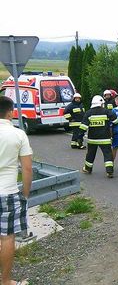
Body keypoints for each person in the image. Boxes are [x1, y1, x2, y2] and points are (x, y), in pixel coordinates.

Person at [0, 96, 32, 285]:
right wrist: (25, 194)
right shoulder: (18, 134)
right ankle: (5, 281)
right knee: (7, 237)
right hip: (8, 193)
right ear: (11, 112)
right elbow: (27, 169)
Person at [80, 95, 118, 178]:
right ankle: (109, 171)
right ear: (101, 103)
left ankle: (88, 168)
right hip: (105, 138)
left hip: (92, 139)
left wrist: (80, 137)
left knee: (90, 154)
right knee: (107, 154)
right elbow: (116, 120)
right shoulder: (106, 111)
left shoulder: (89, 113)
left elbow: (83, 126)